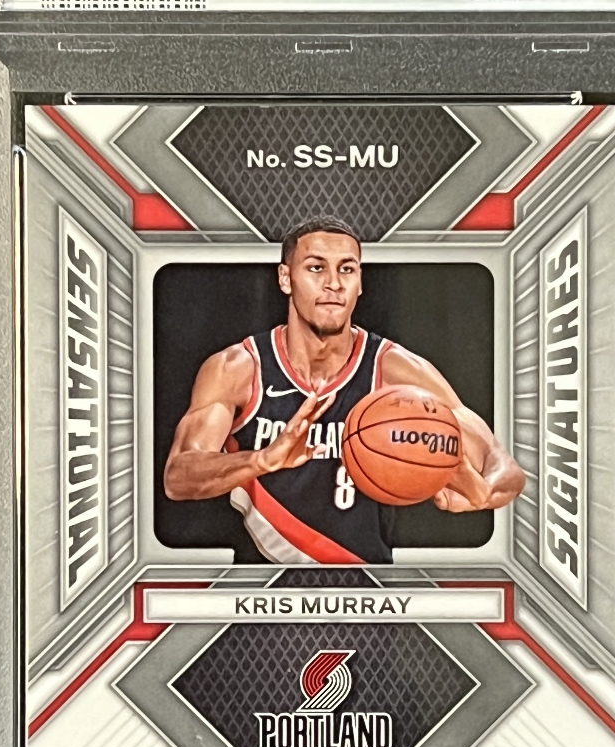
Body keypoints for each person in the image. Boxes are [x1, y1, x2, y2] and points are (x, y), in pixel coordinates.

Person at [163, 217, 525, 565]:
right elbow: (178, 477)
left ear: (360, 282)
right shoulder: (239, 368)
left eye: (347, 269)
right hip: (264, 589)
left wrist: (483, 493)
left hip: (366, 587)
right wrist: (263, 459)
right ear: (286, 278)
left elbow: (503, 466)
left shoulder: (396, 371)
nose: (334, 283)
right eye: (316, 268)